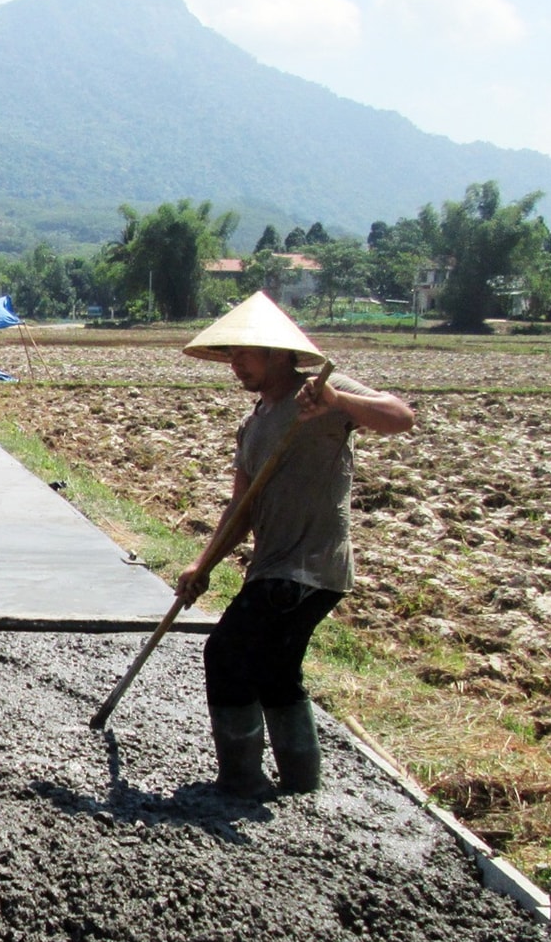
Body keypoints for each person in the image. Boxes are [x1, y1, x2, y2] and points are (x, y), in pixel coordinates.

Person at [174, 293, 414, 797]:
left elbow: (399, 417)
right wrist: (203, 564)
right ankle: (303, 784)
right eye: (231, 355)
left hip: (308, 567)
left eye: (245, 353)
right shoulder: (253, 425)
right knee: (277, 671)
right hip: (274, 566)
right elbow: (240, 514)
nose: (235, 363)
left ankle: (240, 781)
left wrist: (339, 403)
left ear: (279, 353)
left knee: (226, 654)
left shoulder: (323, 393)